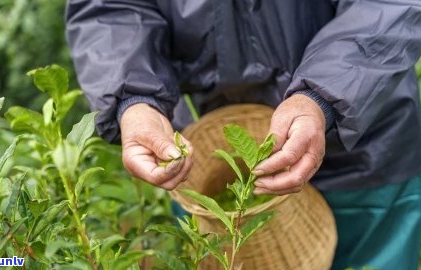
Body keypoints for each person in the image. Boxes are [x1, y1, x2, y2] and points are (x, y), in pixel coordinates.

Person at [65, 1, 421, 269]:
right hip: (205, 141)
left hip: (366, 141)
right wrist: (135, 99)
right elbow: (109, 8)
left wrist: (323, 96)